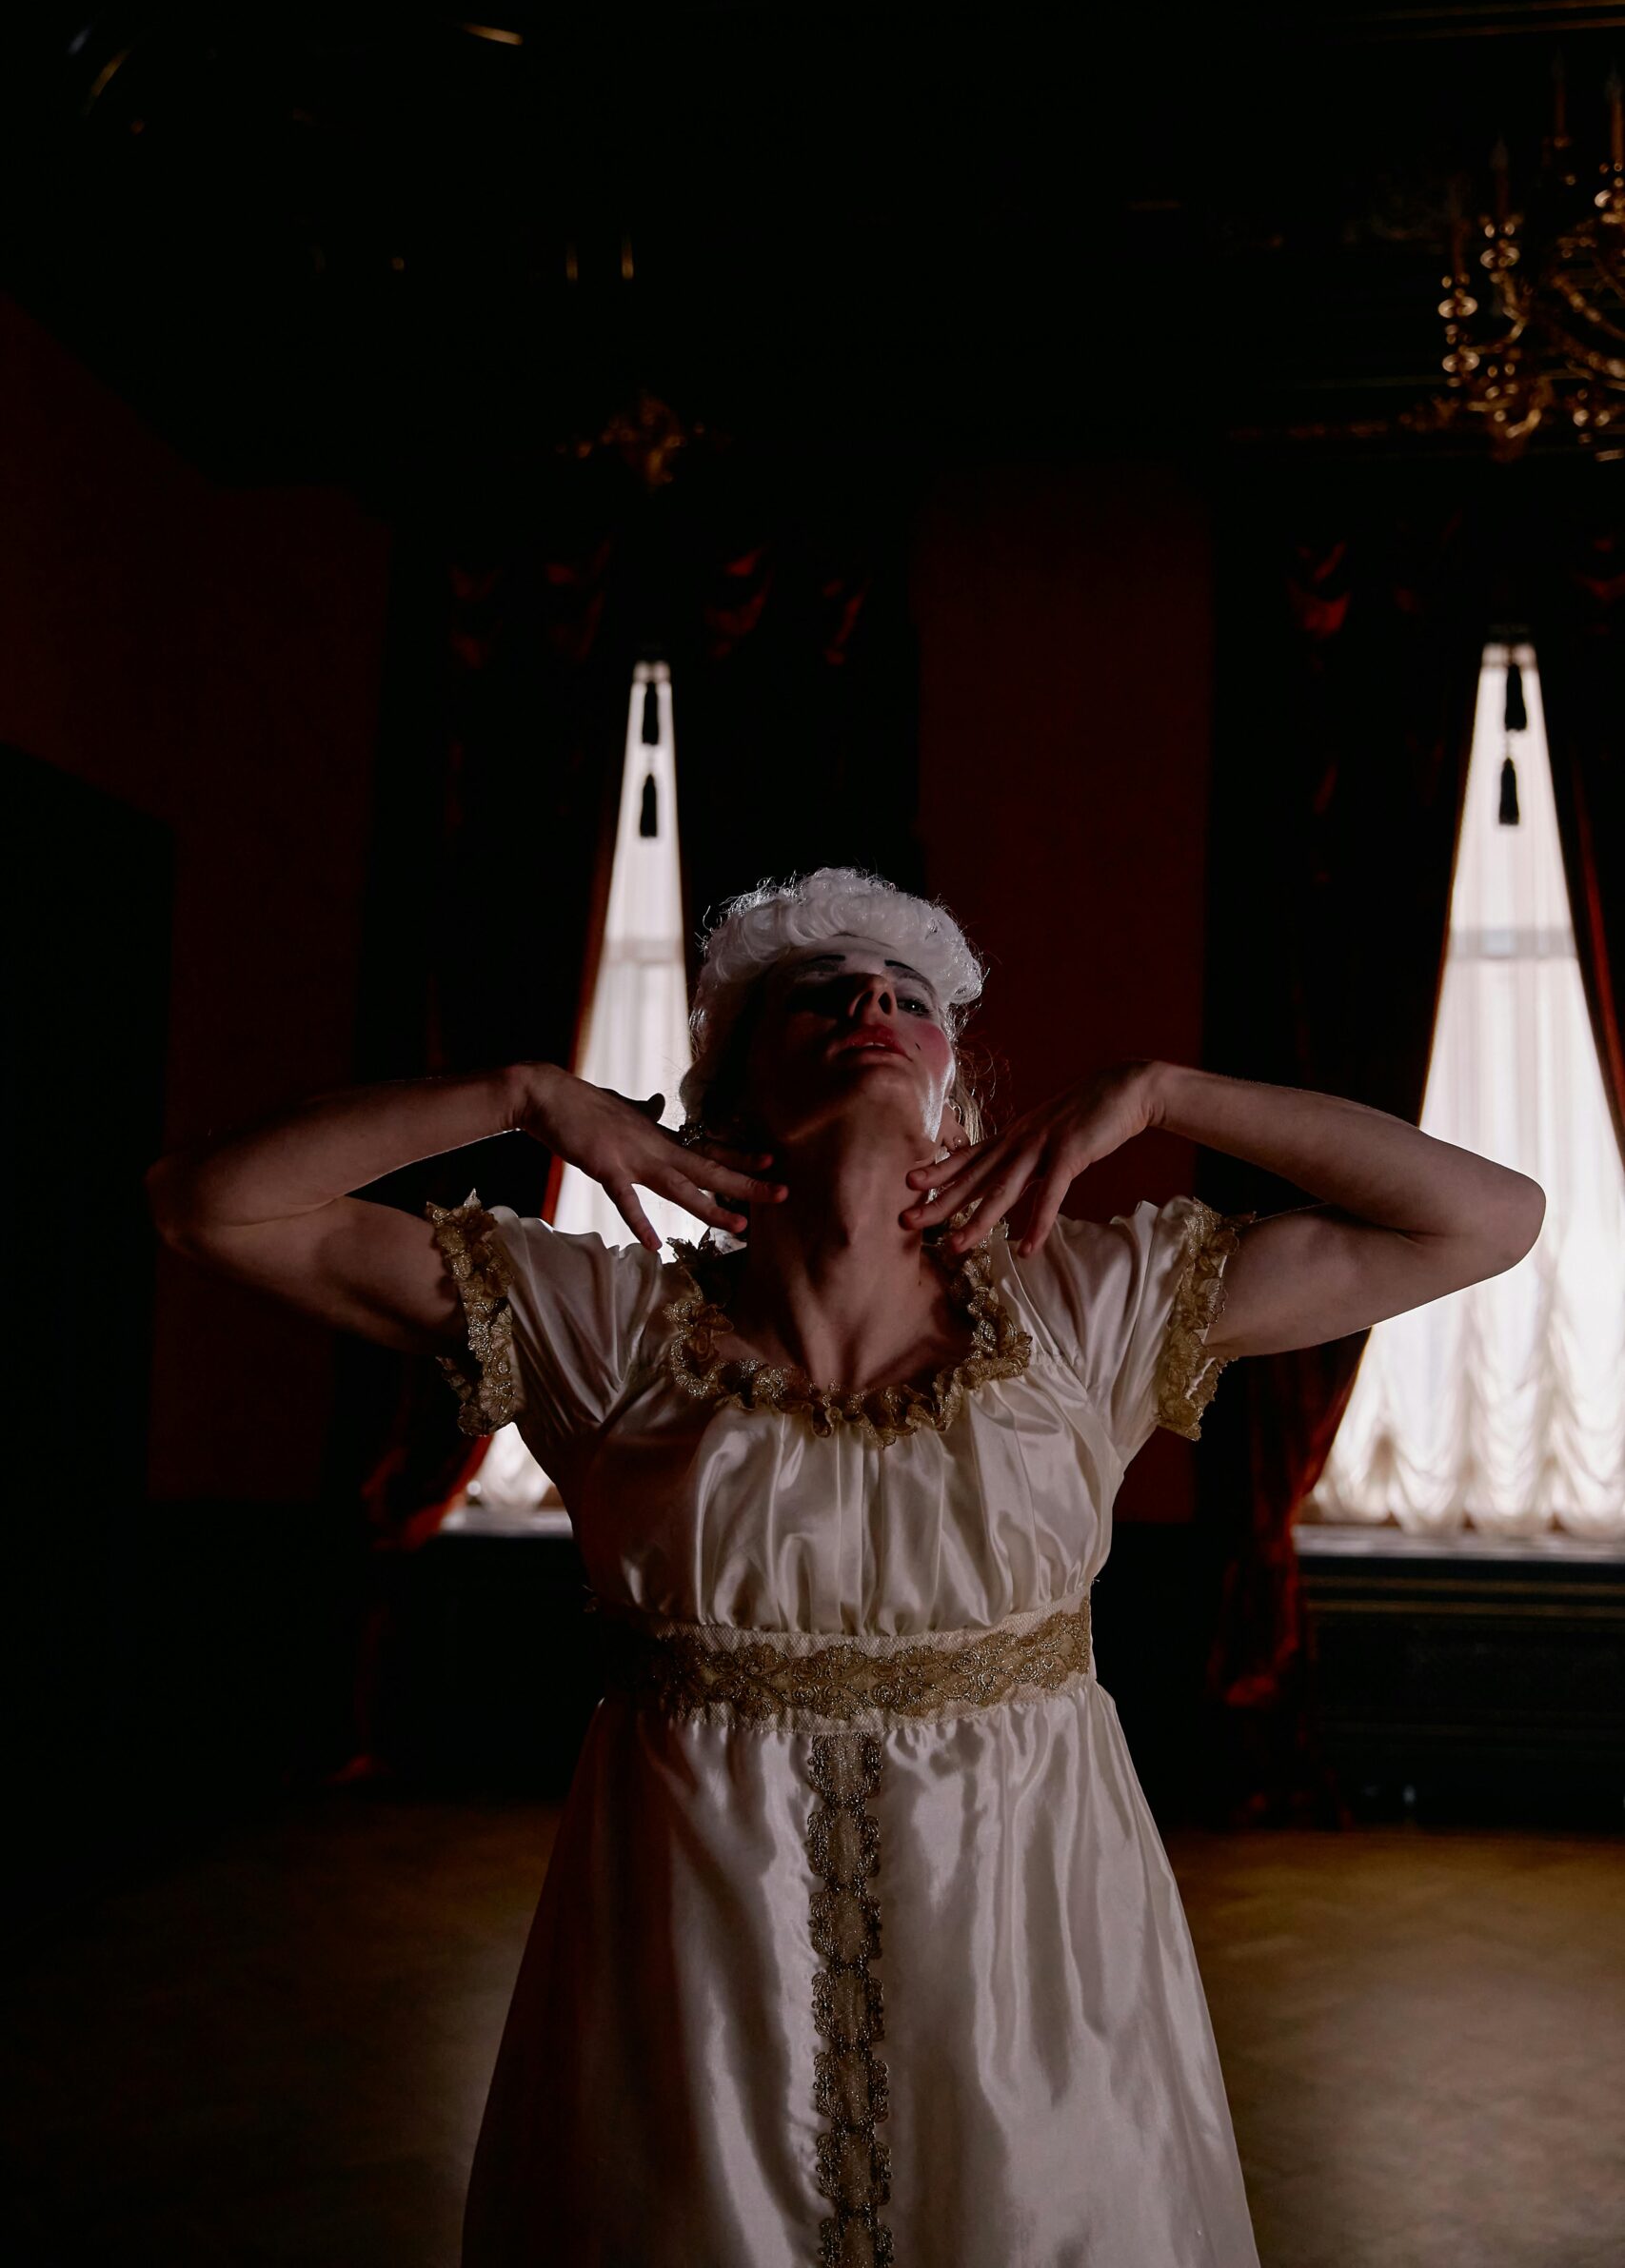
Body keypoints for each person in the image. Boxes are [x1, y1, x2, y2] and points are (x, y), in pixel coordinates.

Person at [148, 864, 1545, 2267]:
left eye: (908, 998)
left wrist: (1161, 1093)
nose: (872, 1001)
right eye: (819, 997)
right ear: (735, 1093)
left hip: (1029, 1962)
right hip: (698, 1969)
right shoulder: (602, 1329)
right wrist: (522, 1095)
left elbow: (1487, 1219)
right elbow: (211, 1207)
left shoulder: (1088, 1305)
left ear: (950, 1084)